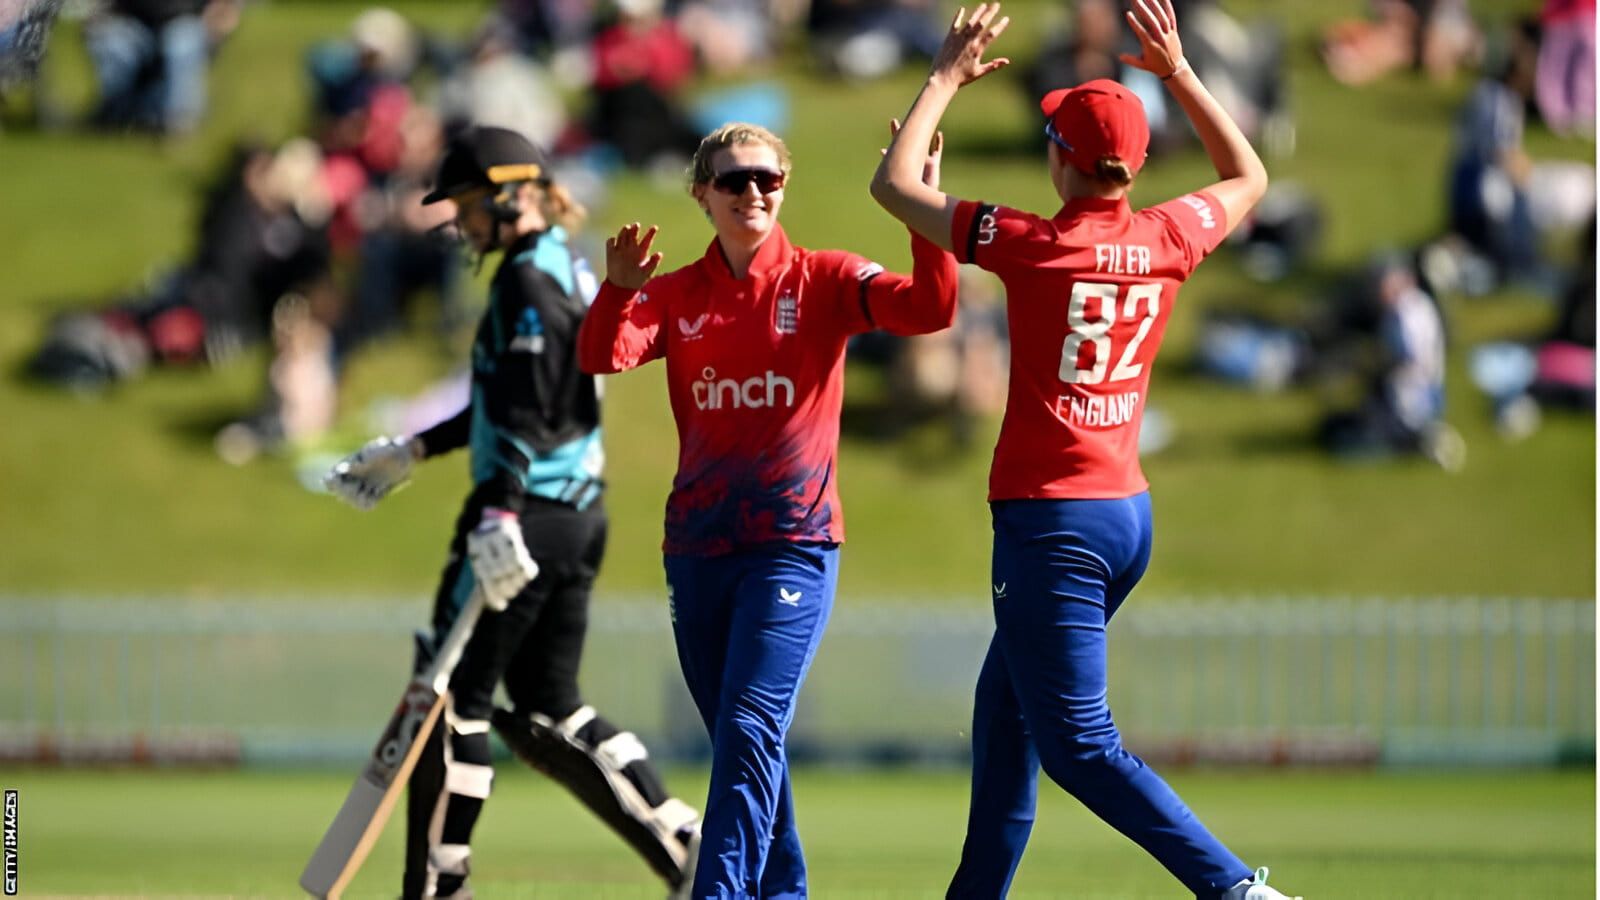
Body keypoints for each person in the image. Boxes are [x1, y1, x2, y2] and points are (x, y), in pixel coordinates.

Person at [871, 3, 1299, 899]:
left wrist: (944, 78)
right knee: (1006, 734)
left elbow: (893, 186)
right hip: (1123, 517)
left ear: (1061, 159)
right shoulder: (1168, 237)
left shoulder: (1031, 245)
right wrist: (1179, 72)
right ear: (1136, 165)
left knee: (1078, 747)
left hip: (1052, 524)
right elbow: (1249, 172)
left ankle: (1235, 890)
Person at [577, 121, 958, 896]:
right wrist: (617, 288)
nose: (753, 192)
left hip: (794, 542)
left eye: (767, 179)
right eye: (733, 180)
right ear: (702, 196)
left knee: (751, 728)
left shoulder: (824, 278)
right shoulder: (678, 294)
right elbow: (599, 356)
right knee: (745, 744)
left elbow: (930, 308)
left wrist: (925, 213)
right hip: (697, 547)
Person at [323, 125, 701, 899]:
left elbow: (526, 411)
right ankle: (684, 843)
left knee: (450, 703)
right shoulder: (567, 265)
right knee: (548, 706)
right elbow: (519, 402)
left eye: (465, 206)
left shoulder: (525, 279)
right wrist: (419, 449)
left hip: (520, 517)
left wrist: (498, 511)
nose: (459, 224)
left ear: (508, 194)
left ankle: (438, 884)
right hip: (576, 518)